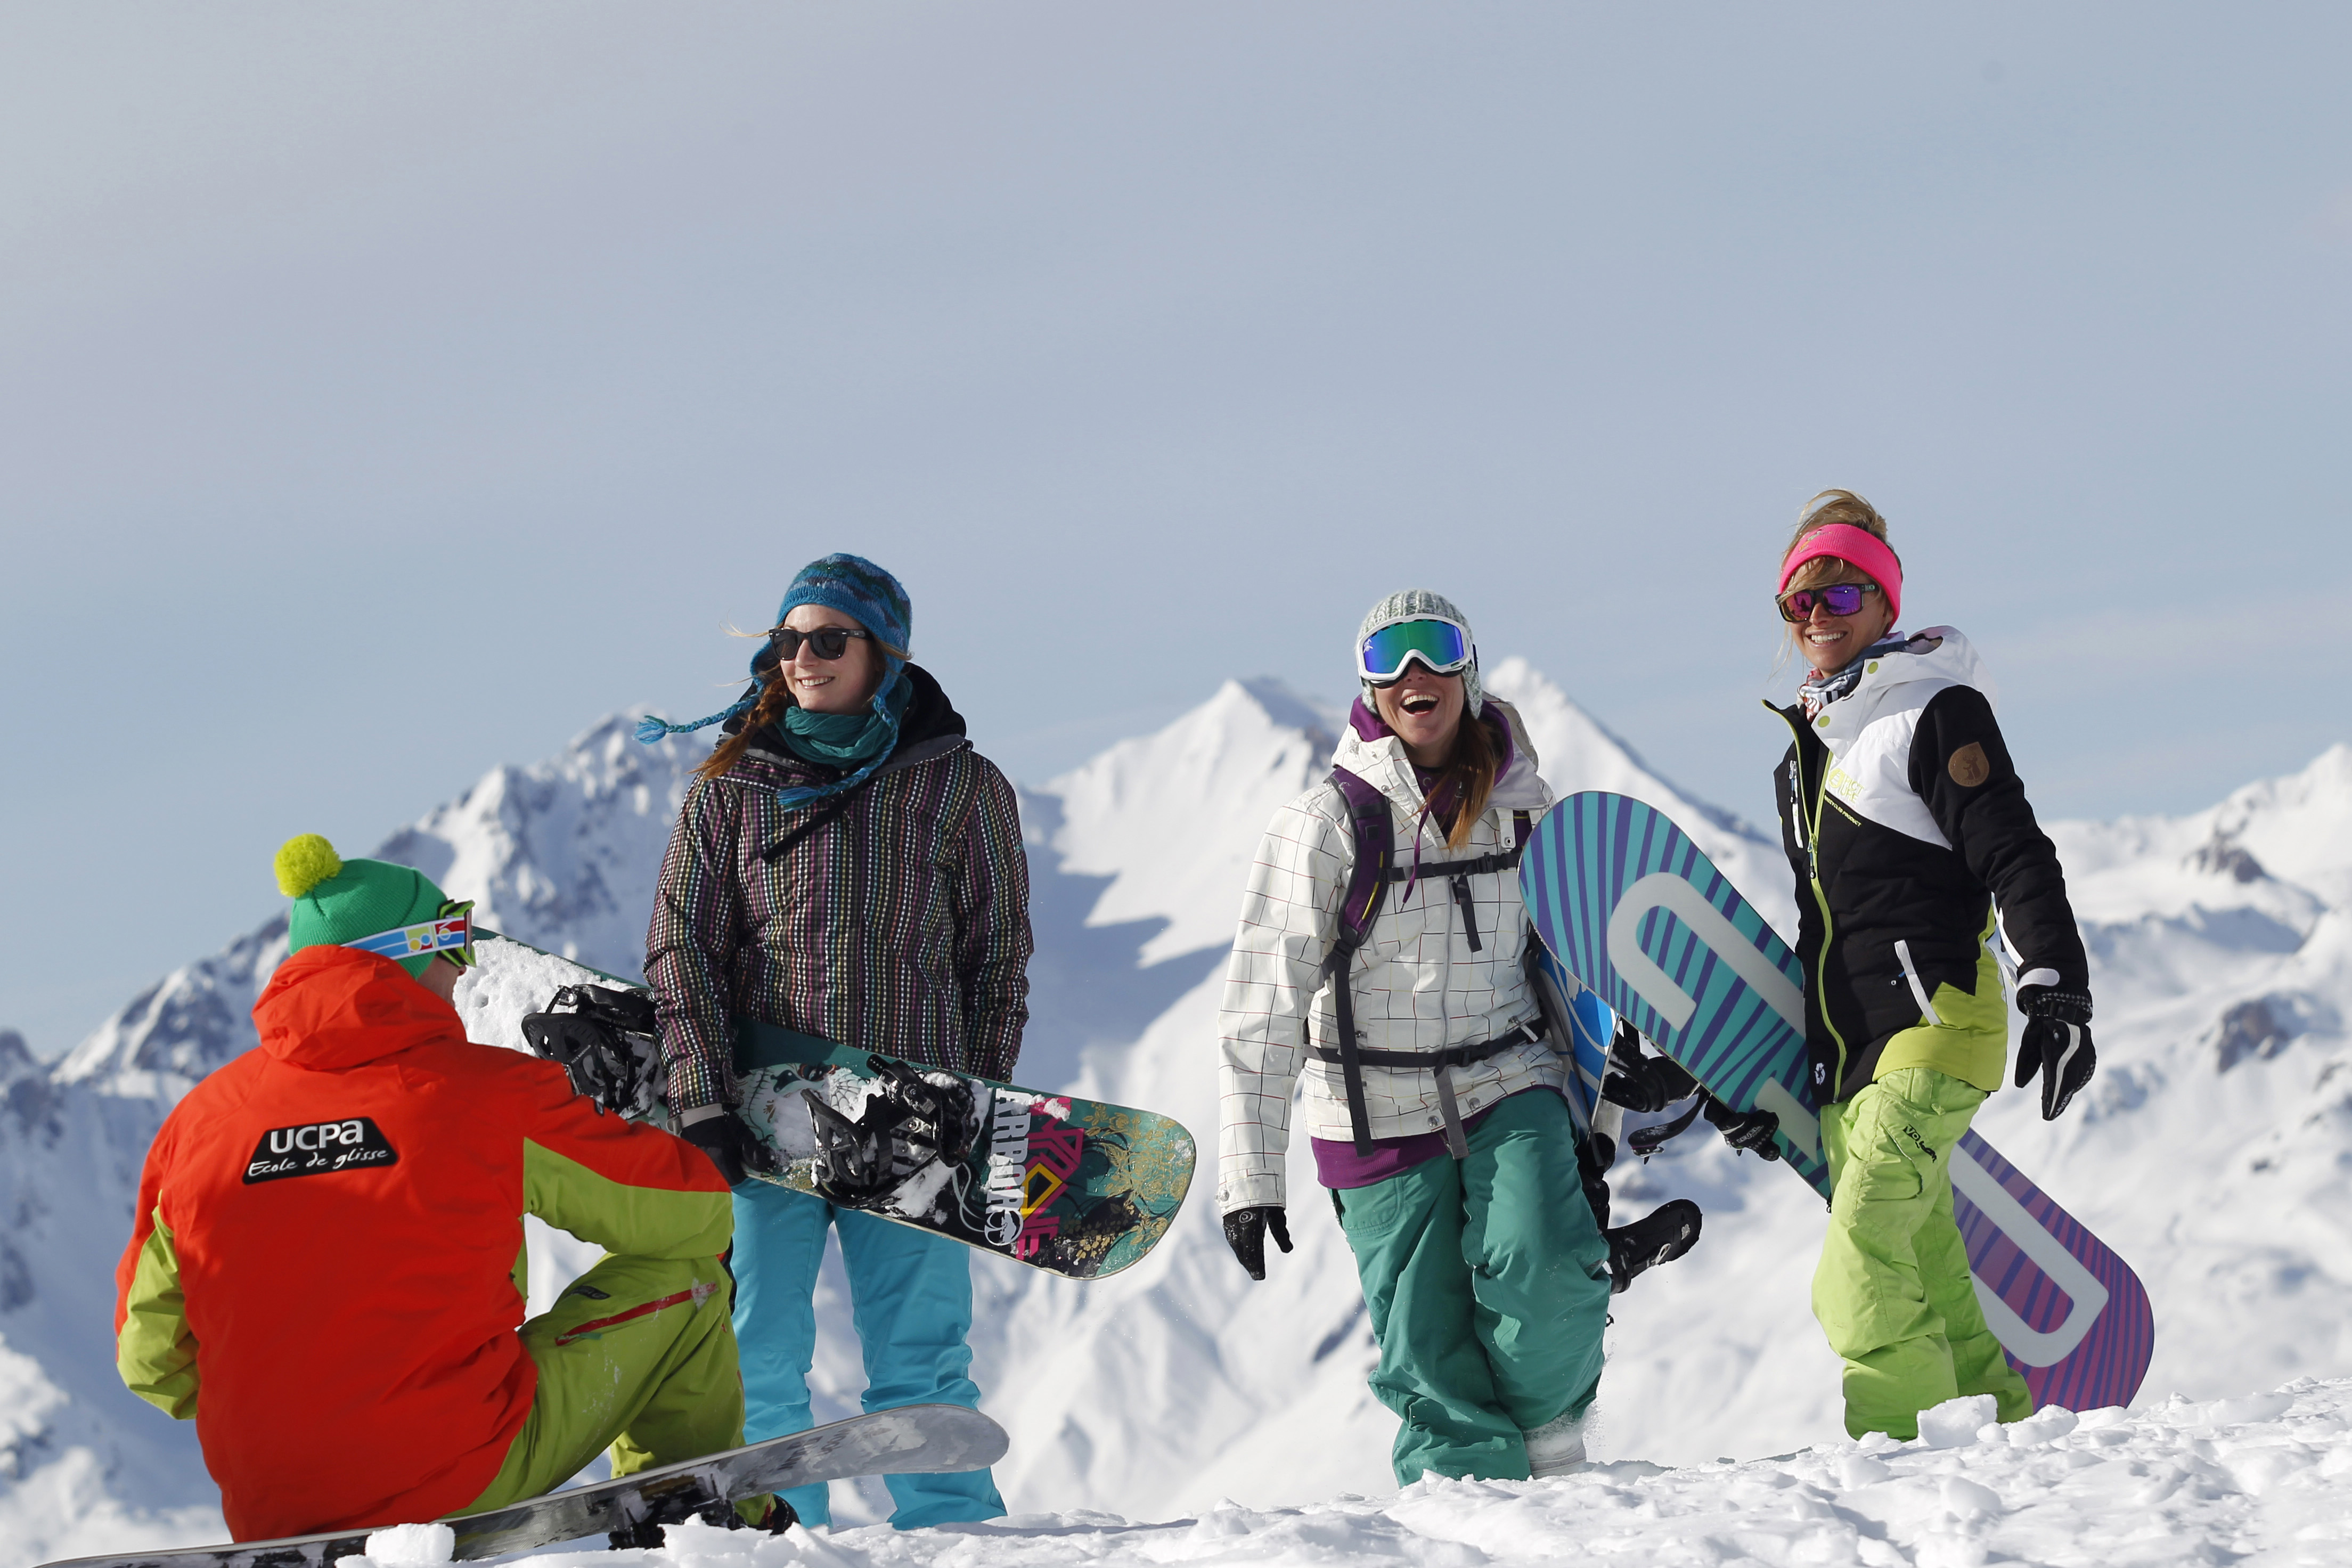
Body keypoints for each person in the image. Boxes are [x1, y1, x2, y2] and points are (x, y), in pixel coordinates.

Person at [115, 837, 757, 1543]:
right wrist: (688, 1134)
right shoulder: (483, 1095)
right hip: (452, 1476)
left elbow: (150, 1363)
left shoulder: (199, 1123)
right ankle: (703, 1529)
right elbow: (691, 1217)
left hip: (268, 1508)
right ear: (408, 954)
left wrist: (297, 1404)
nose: (465, 965)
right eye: (453, 937)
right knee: (690, 1281)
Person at [637, 552, 1030, 1531]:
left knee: (922, 1355)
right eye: (788, 639)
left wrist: (975, 1101)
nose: (802, 657)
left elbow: (996, 957)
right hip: (761, 1106)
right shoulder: (730, 790)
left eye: (827, 638)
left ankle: (957, 1535)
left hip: (911, 1108)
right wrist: (700, 1097)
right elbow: (681, 948)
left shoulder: (962, 785)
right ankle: (772, 1540)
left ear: (883, 651)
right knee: (754, 1349)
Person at [1214, 589, 1627, 1485]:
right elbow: (1262, 1005)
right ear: (1366, 686)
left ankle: (1554, 1452)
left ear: (1468, 673)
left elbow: (1577, 961)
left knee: (1548, 1263)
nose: (1413, 672)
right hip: (1373, 1107)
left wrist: (1610, 1094)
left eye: (1434, 648)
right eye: (1387, 656)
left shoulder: (1526, 809)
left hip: (1508, 1075)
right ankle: (1460, 1500)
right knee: (1423, 1336)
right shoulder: (1324, 826)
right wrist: (1251, 1178)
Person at [1768, 489, 2096, 1441]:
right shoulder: (1804, 758)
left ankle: (1898, 1459)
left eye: (1842, 594)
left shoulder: (1933, 712)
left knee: (1862, 1260)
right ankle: (2002, 1445)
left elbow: (2013, 851)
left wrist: (2056, 985)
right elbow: (1825, 934)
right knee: (1929, 1266)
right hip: (1856, 1059)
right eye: (1801, 601)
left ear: (1886, 601)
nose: (1820, 616)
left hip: (1936, 1023)